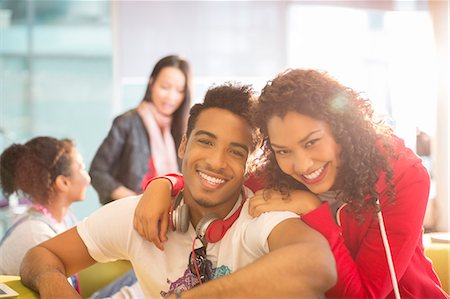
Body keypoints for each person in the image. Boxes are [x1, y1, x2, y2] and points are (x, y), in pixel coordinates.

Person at [133, 69, 449, 299]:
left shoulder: (403, 177)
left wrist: (313, 209)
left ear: (342, 130)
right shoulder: (277, 176)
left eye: (312, 142)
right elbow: (218, 181)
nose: (302, 165)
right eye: (283, 150)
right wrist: (164, 185)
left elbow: (364, 295)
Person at [20, 83, 336, 299]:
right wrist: (55, 288)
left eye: (236, 152)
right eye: (205, 142)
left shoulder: (260, 218)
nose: (216, 161)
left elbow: (317, 263)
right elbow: (41, 255)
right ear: (183, 144)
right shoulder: (138, 214)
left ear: (249, 166)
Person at [0, 136, 138, 298]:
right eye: (81, 168)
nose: (88, 178)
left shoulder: (64, 219)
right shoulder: (36, 235)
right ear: (63, 183)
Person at [90, 54, 192, 205]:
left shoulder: (185, 129)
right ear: (151, 84)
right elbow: (97, 172)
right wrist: (134, 200)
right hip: (130, 213)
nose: (171, 96)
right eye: (165, 87)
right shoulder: (127, 123)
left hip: (170, 215)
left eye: (179, 90)